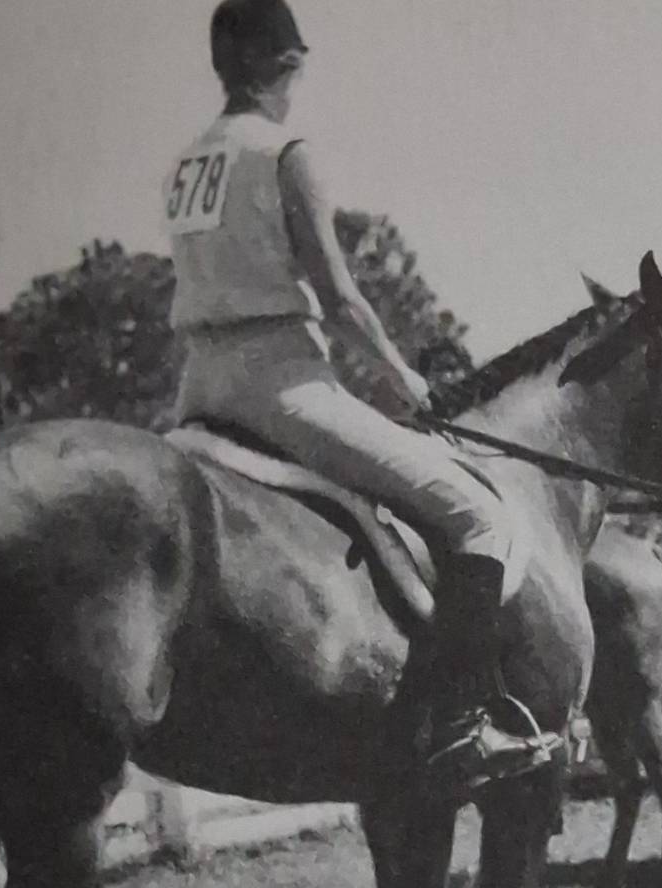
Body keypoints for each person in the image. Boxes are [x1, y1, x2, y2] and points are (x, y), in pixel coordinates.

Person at [164, 0, 557, 794]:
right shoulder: (284, 152)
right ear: (287, 63)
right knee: (478, 515)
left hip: (197, 389)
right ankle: (460, 728)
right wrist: (397, 376)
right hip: (282, 382)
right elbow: (339, 297)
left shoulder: (187, 163)